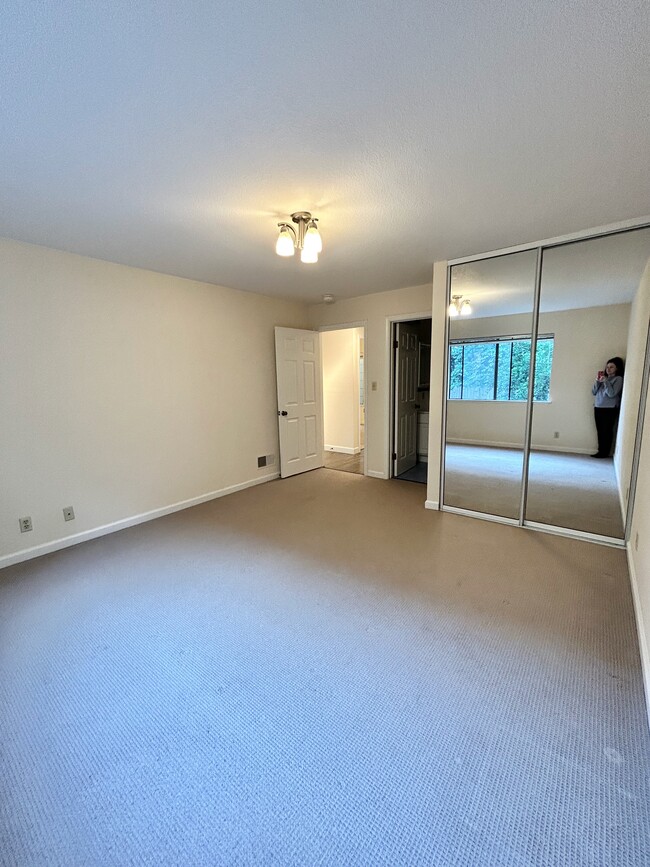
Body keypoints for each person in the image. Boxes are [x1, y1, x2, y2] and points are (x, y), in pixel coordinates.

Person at [591, 357, 624, 458]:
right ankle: (600, 451)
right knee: (600, 431)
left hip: (609, 409)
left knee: (607, 431)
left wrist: (606, 382)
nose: (608, 369)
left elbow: (611, 394)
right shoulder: (603, 379)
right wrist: (597, 381)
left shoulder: (618, 379)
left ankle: (605, 452)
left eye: (611, 367)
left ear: (617, 368)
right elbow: (593, 392)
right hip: (598, 407)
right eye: (607, 367)